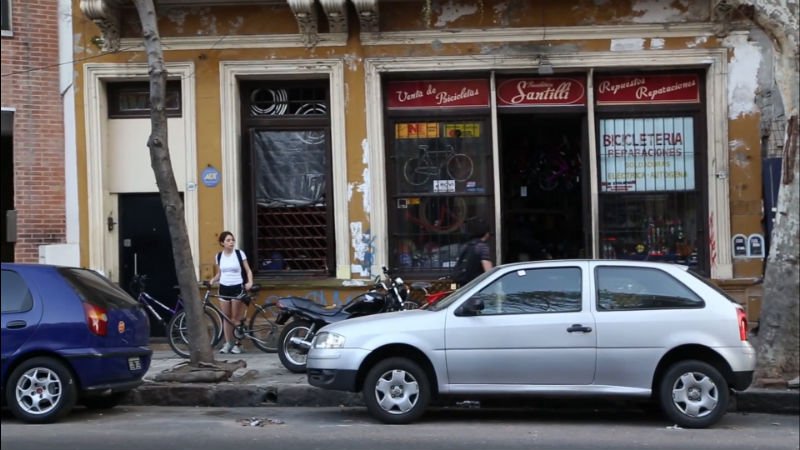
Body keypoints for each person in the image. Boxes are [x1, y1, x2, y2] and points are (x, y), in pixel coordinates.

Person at [209, 231, 253, 354]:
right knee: (226, 317)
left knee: (235, 318)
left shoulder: (239, 254)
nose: (231, 242)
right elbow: (219, 273)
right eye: (228, 240)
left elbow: (248, 270)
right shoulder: (219, 256)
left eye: (232, 240)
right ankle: (228, 343)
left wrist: (250, 282)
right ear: (222, 243)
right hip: (223, 288)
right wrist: (212, 280)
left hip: (236, 287)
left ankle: (238, 344)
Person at [453, 220, 494, 287]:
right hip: (476, 286)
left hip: (462, 285)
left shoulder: (466, 245)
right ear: (486, 234)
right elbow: (489, 272)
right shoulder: (482, 246)